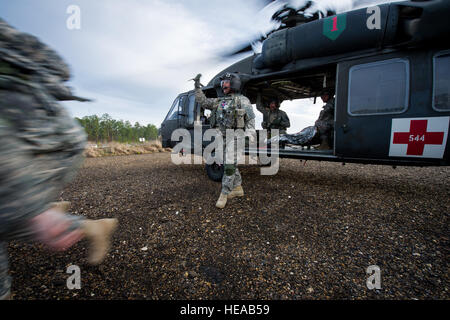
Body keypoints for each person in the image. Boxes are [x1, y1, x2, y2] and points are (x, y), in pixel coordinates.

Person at [0, 18, 118, 300]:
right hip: (39, 141)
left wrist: (31, 208)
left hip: (54, 143)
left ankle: (87, 225)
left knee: (12, 214)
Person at [193, 73, 255, 208]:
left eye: (226, 82)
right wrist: (197, 87)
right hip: (223, 137)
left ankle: (224, 193)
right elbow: (203, 101)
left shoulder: (243, 100)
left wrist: (248, 135)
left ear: (234, 83)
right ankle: (238, 188)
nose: (223, 85)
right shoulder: (220, 101)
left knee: (228, 164)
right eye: (222, 83)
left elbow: (250, 119)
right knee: (229, 163)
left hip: (238, 136)